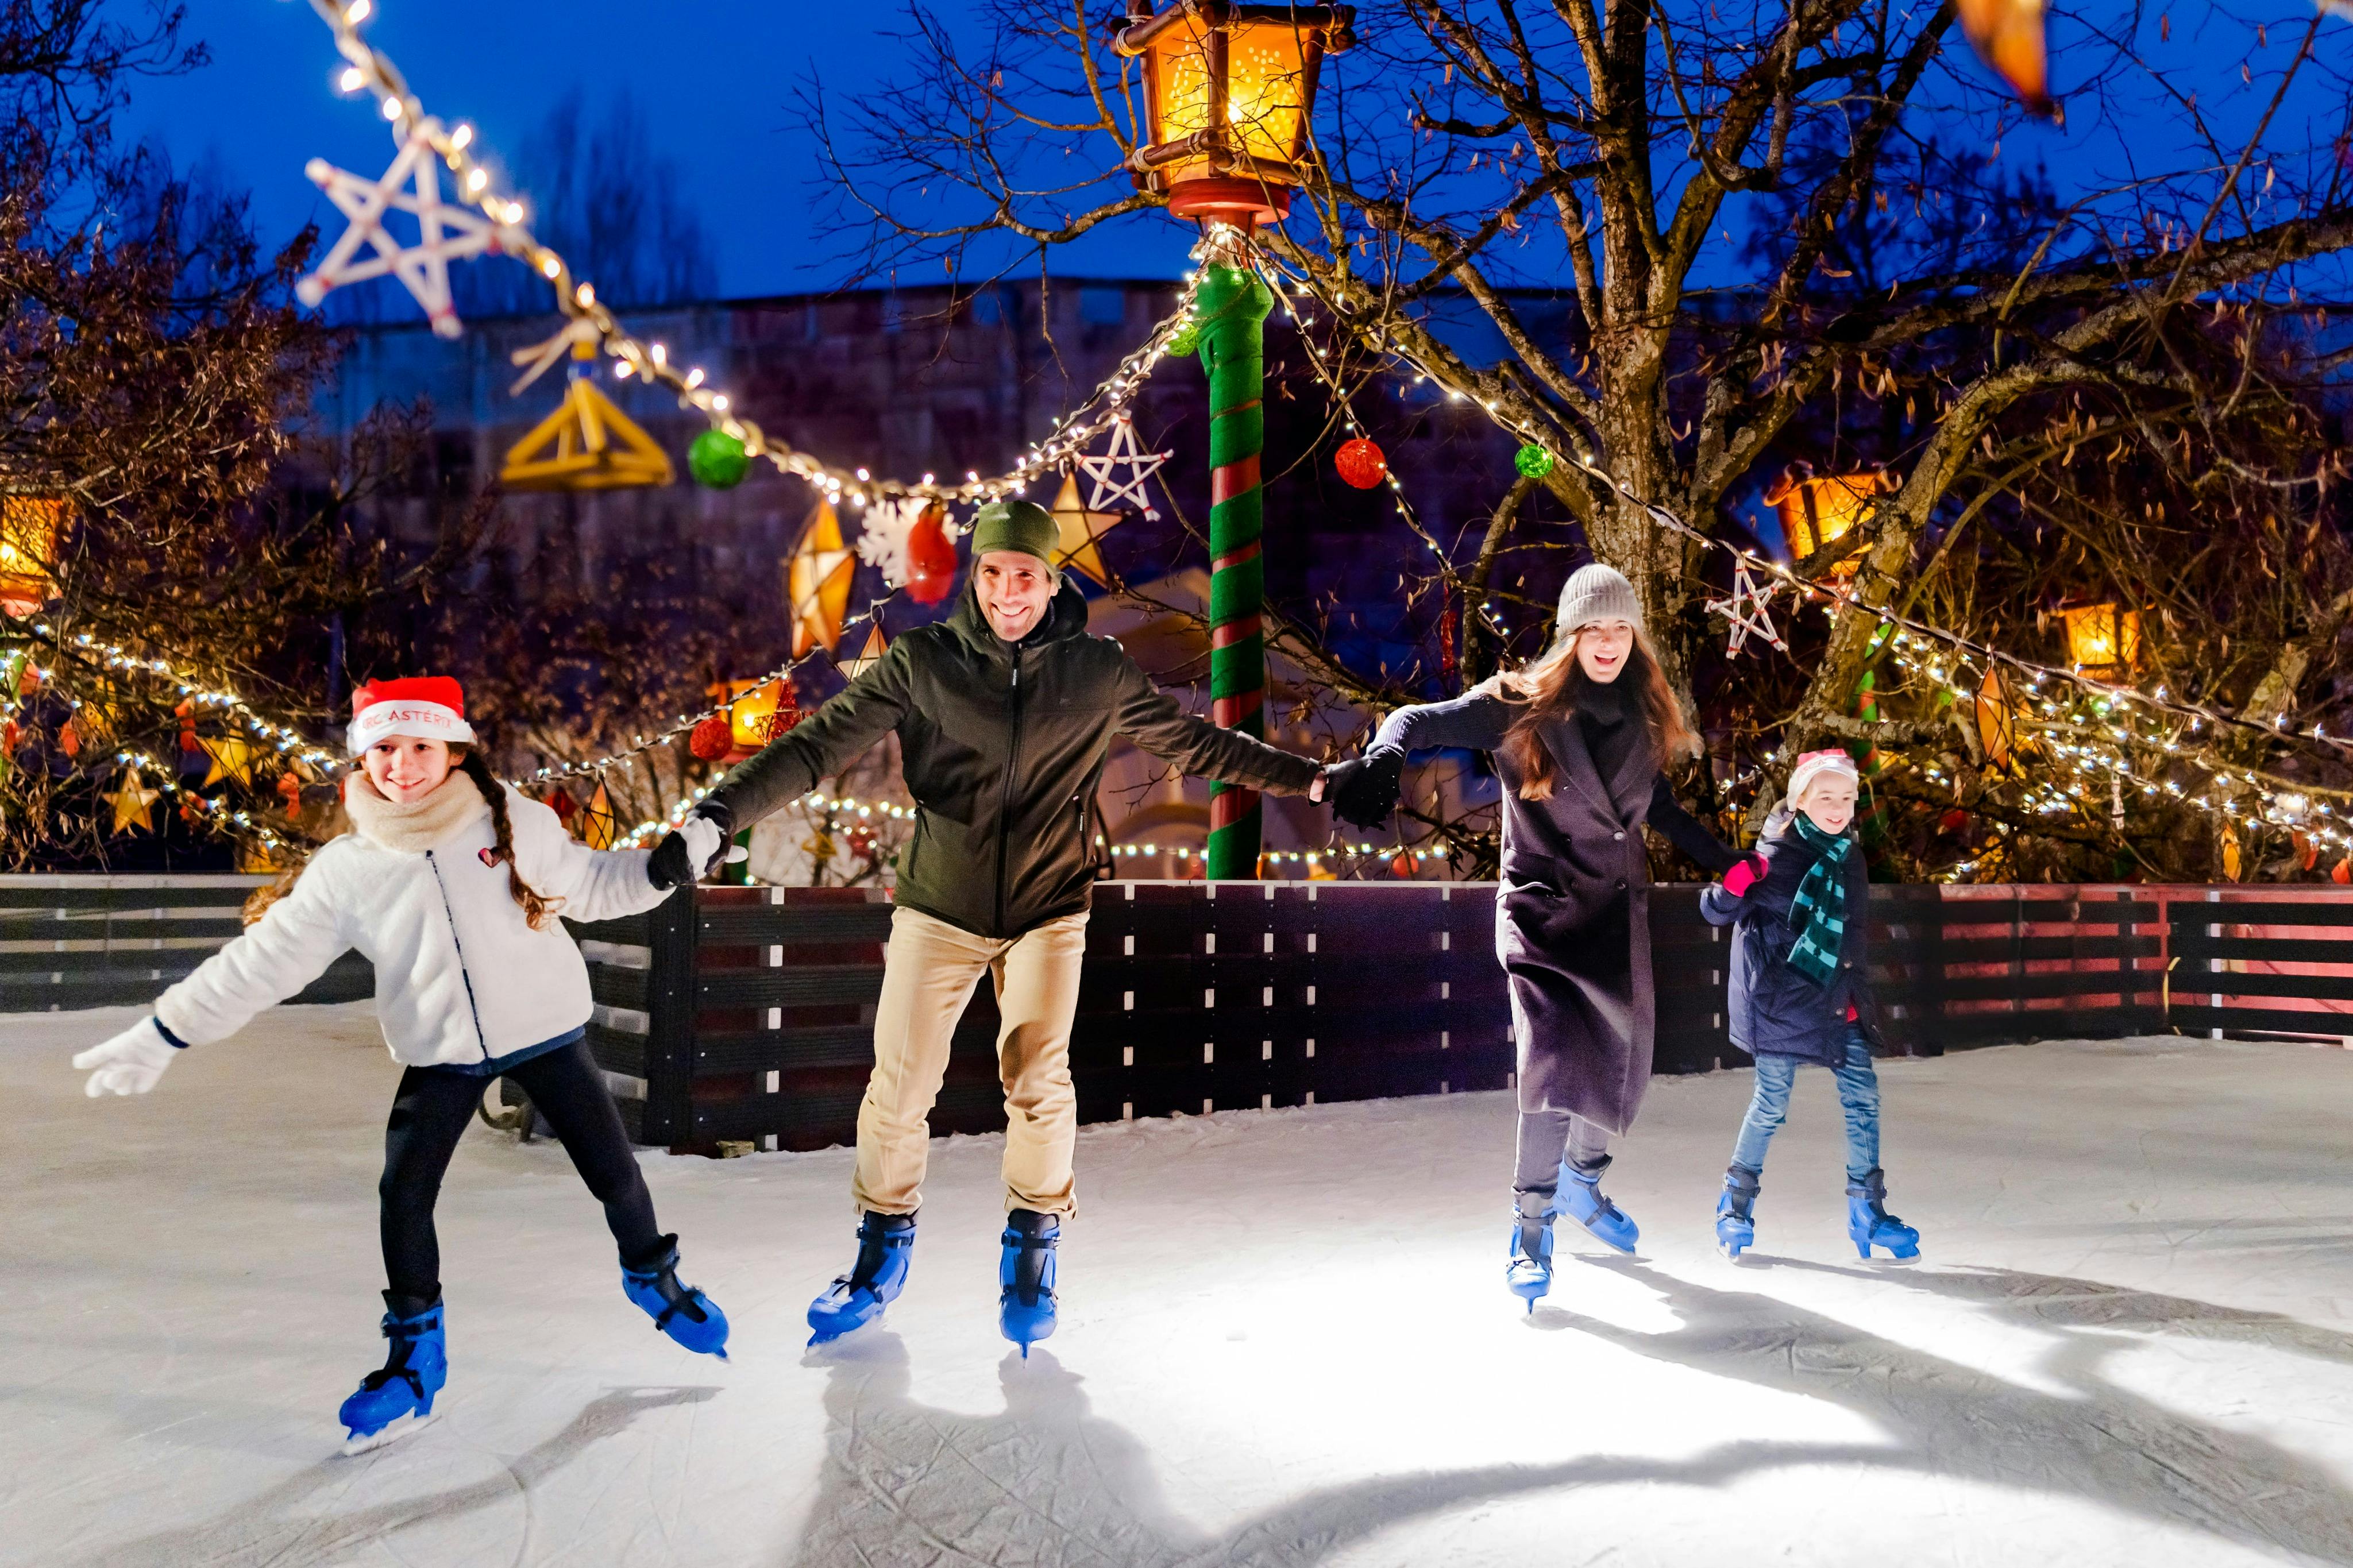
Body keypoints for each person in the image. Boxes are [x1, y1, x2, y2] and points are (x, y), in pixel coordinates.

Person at [657, 499, 1346, 1351]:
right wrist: (718, 814)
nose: (1007, 590)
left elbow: (1197, 746)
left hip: (1049, 908)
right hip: (939, 904)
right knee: (900, 1083)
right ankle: (880, 1252)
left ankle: (1032, 1245)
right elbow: (814, 748)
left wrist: (1317, 783)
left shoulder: (1095, 669)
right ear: (974, 577)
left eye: (1025, 574)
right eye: (992, 572)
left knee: (1038, 1076)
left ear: (1051, 579)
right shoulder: (923, 663)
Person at [70, 677, 734, 1452]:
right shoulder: (350, 867)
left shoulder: (513, 820)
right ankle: (416, 1356)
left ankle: (654, 1279)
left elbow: (588, 882)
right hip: (442, 1053)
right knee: (403, 1194)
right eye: (384, 747)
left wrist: (662, 868)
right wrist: (165, 1031)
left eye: (420, 746)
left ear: (453, 750)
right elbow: (264, 960)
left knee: (615, 1174)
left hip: (546, 1030)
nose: (402, 764)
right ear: (361, 756)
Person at [1327, 563, 1747, 1310]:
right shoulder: (1517, 705)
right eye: (1596, 627)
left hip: (1615, 917)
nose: (1609, 641)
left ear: (1635, 637)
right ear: (1572, 634)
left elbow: (1668, 815)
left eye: (1621, 627)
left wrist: (1739, 872)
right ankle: (1531, 1228)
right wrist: (1386, 756)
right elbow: (1417, 720)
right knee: (1553, 1064)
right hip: (1543, 915)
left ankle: (1584, 1180)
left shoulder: (1649, 720)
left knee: (1620, 1068)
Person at [1699, 748, 1920, 1262]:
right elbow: (1715, 909)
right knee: (1772, 1103)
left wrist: (1856, 992)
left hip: (1837, 999)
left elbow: (1854, 934)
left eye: (1846, 797)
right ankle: (1734, 1203)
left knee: (1864, 1099)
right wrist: (1732, 886)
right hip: (1782, 1000)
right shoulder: (1773, 856)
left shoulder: (1851, 857)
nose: (1838, 807)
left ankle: (1867, 1211)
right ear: (1800, 800)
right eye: (1826, 797)